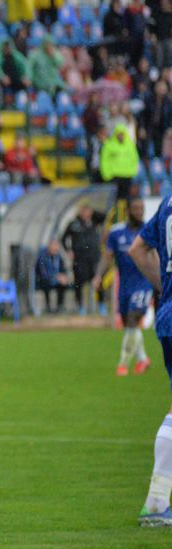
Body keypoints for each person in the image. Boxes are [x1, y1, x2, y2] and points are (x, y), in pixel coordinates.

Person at [128, 193, 172, 525]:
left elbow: (137, 249)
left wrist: (165, 288)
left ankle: (157, 501)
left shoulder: (169, 200)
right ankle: (156, 502)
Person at [95, 198, 153, 376]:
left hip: (143, 282)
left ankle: (123, 364)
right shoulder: (116, 232)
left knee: (134, 319)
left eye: (141, 209)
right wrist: (99, 275)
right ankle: (143, 359)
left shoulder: (149, 230)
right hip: (124, 284)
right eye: (135, 208)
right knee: (129, 322)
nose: (139, 212)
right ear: (128, 210)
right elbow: (108, 256)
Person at [62, 202, 103, 314]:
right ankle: (81, 307)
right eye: (83, 211)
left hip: (94, 257)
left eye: (88, 211)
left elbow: (104, 216)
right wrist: (68, 250)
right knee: (79, 283)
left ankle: (101, 305)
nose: (86, 213)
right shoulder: (73, 224)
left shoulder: (94, 221)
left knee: (98, 281)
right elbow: (63, 238)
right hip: (79, 259)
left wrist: (93, 212)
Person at [101, 123, 139, 203]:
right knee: (113, 199)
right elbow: (104, 161)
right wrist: (107, 175)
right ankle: (115, 215)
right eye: (119, 133)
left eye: (122, 133)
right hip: (114, 176)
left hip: (127, 176)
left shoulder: (130, 145)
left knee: (126, 199)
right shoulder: (109, 145)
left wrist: (133, 172)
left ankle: (125, 215)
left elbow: (134, 159)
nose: (120, 135)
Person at [35, 239, 71, 313]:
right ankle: (48, 307)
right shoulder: (43, 257)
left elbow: (63, 269)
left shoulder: (58, 257)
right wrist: (56, 277)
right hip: (44, 280)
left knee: (63, 284)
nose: (56, 249)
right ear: (49, 247)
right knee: (46, 284)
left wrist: (64, 277)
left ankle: (59, 306)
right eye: (54, 247)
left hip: (56, 280)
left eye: (57, 247)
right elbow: (43, 274)